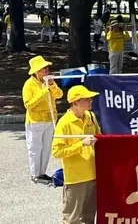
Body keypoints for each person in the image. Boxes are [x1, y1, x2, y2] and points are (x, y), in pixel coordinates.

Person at [52, 85, 101, 224]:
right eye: (86, 99)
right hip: (75, 179)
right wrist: (81, 144)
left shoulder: (91, 116)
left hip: (93, 174)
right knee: (72, 219)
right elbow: (57, 151)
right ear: (75, 103)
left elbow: (99, 136)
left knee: (89, 217)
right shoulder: (64, 123)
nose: (91, 100)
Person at [22, 56, 63, 183]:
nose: (46, 70)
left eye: (46, 68)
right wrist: (42, 93)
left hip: (50, 119)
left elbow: (59, 95)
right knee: (35, 148)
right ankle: (35, 174)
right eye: (42, 68)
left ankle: (42, 173)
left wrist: (52, 86)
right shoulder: (28, 85)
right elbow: (28, 104)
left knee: (46, 148)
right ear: (36, 71)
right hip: (35, 121)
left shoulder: (48, 81)